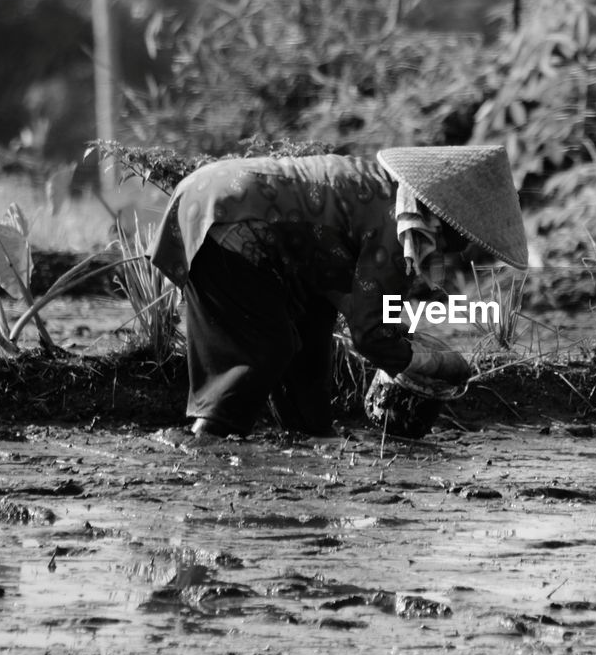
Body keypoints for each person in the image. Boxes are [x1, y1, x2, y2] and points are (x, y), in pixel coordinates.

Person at [148, 145, 528, 439]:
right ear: (449, 222)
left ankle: (309, 435)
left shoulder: (388, 193)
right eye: (462, 239)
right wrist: (421, 364)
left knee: (311, 338)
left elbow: (355, 293)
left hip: (221, 198)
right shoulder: (398, 227)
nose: (458, 250)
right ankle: (205, 444)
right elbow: (369, 332)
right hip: (230, 218)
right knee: (265, 349)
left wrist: (406, 323)